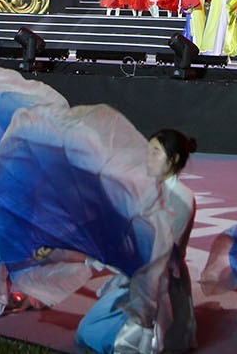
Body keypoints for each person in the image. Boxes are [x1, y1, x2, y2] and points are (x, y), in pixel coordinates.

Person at [75, 128, 198, 353]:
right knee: (86, 331)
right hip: (136, 274)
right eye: (147, 151)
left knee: (122, 343)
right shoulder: (146, 191)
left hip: (160, 283)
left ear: (173, 159)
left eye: (155, 152)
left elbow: (164, 251)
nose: (147, 157)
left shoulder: (183, 198)